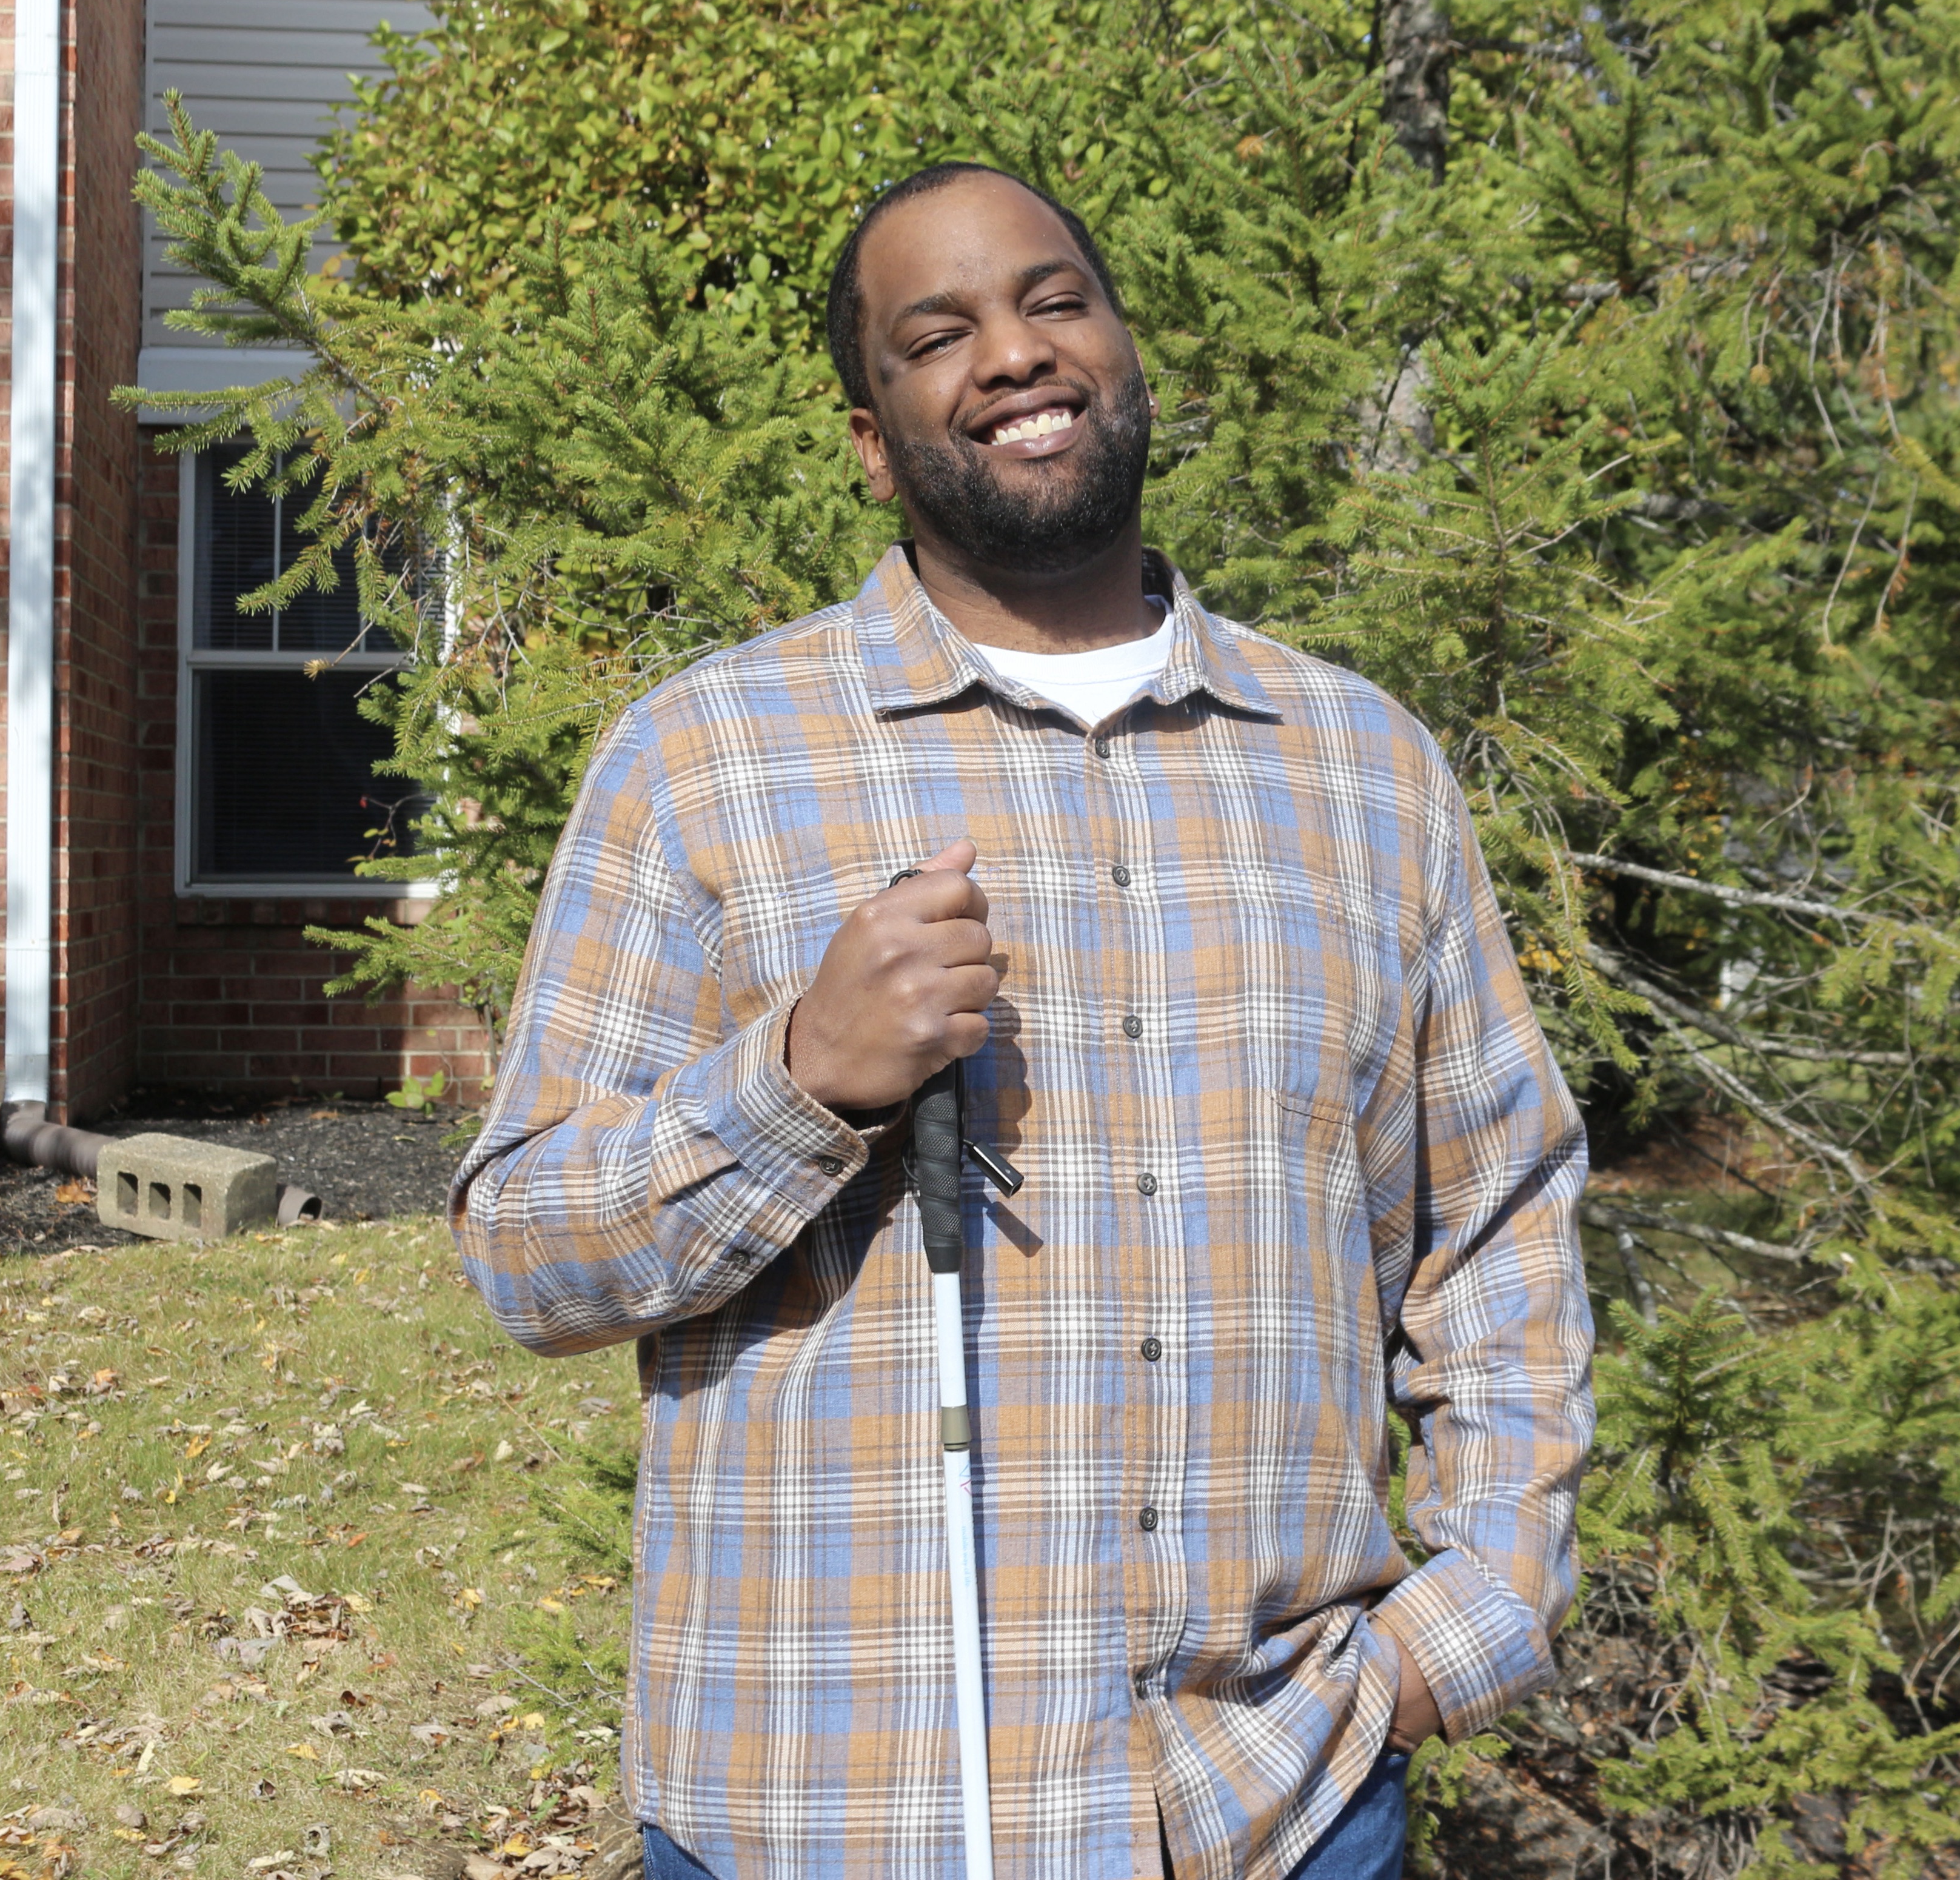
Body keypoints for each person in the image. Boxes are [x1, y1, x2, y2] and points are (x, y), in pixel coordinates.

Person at [451, 162, 1595, 1880]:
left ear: (1128, 355)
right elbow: (525, 1255)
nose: (1011, 353)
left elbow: (1495, 1226)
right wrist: (795, 1081)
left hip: (1278, 1805)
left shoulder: (1362, 769)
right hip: (829, 1804)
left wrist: (1475, 1613)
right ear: (869, 432)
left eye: (1053, 301)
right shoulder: (704, 761)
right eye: (940, 331)